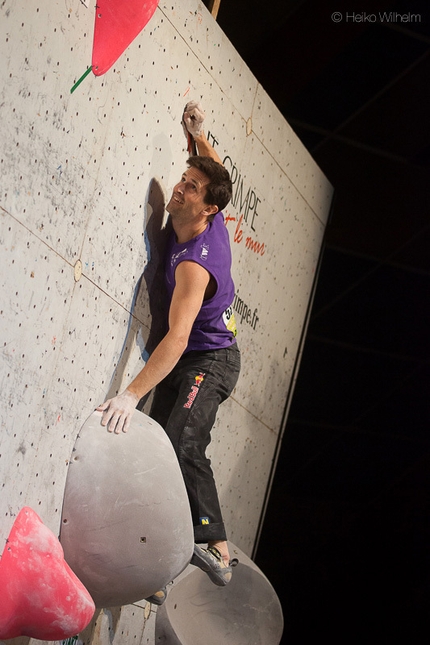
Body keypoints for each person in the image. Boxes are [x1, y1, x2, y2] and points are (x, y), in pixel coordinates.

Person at [97, 101, 241, 597]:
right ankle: (157, 564)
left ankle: (217, 547)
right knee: (154, 456)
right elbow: (215, 169)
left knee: (181, 440)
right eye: (183, 179)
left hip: (211, 361)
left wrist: (130, 394)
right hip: (186, 357)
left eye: (191, 188)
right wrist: (198, 136)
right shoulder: (208, 211)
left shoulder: (194, 265)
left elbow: (178, 339)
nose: (180, 187)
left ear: (208, 211)